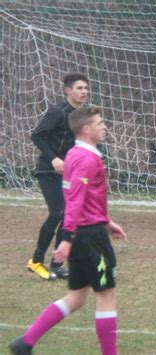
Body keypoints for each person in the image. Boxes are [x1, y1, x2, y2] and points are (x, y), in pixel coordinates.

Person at [9, 106, 127, 355]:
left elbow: (87, 199)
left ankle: (25, 342)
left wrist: (106, 221)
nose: (104, 127)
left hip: (89, 229)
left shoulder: (74, 154)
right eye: (99, 123)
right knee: (106, 295)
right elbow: (74, 200)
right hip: (89, 237)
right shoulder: (85, 159)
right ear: (86, 129)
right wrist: (67, 238)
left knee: (77, 297)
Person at [28, 73, 89, 280]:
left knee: (68, 217)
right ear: (68, 90)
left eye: (86, 88)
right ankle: (36, 261)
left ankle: (56, 265)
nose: (84, 92)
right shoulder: (57, 112)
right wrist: (53, 158)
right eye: (79, 88)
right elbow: (36, 135)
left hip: (68, 173)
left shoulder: (80, 116)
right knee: (58, 212)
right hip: (48, 170)